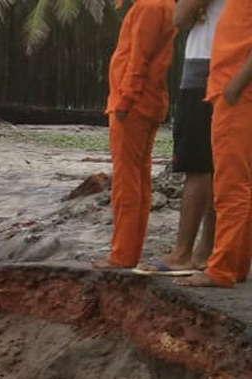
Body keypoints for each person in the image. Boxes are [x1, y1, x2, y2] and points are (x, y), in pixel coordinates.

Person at [139, 0, 225, 273]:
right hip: (228, 65)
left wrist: (189, 10)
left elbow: (181, 17)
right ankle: (206, 250)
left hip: (205, 65)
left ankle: (183, 252)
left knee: (198, 165)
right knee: (218, 164)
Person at [93, 0, 177, 270]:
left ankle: (122, 255)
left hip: (134, 104)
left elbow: (139, 58)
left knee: (127, 180)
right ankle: (128, 252)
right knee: (138, 178)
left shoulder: (150, 6)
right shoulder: (159, 5)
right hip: (145, 102)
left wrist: (125, 101)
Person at [176, 0, 252, 287]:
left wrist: (234, 86)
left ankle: (221, 270)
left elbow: (180, 16)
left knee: (231, 185)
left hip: (235, 92)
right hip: (226, 88)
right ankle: (235, 265)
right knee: (237, 182)